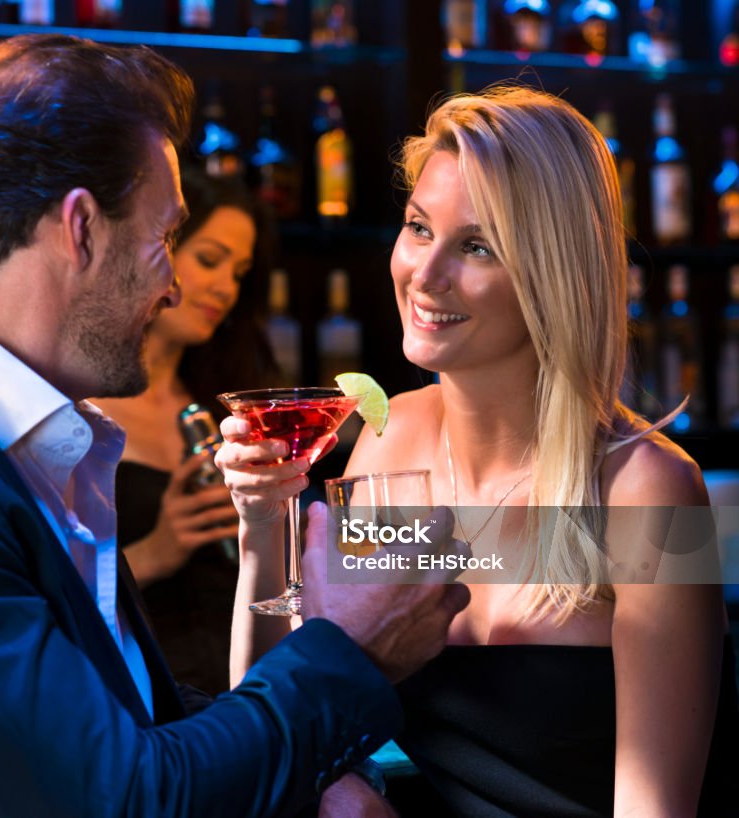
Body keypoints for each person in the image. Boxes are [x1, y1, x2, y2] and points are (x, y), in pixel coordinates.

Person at [0, 34, 470, 817]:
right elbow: (126, 795)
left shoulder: (3, 449)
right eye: (164, 236)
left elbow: (130, 726)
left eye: (477, 244)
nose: (177, 281)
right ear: (80, 228)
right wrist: (349, 652)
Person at [218, 85, 738, 817]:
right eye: (418, 228)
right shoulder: (390, 440)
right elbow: (289, 733)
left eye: (477, 246)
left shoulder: (648, 490)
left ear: (553, 274)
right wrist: (263, 525)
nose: (425, 277)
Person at [94, 169, 276, 695]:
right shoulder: (76, 408)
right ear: (157, 248)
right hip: (142, 707)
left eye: (239, 272)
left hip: (248, 691)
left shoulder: (227, 403)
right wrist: (156, 550)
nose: (225, 287)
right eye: (209, 260)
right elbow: (38, 588)